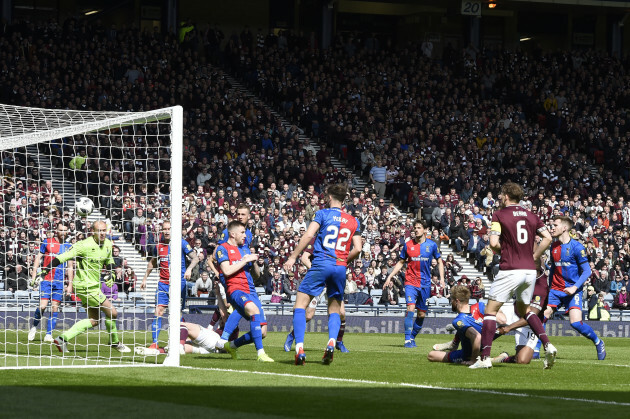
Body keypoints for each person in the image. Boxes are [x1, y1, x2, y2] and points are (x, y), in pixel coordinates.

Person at [469, 182, 554, 369]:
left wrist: (506, 251)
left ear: (506, 196)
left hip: (511, 268)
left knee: (490, 312)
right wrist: (534, 256)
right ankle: (548, 344)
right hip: (530, 271)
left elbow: (492, 243)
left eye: (500, 195)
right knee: (525, 311)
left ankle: (484, 359)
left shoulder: (499, 215)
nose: (499, 197)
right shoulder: (532, 215)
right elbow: (548, 238)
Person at [283, 183, 362, 365]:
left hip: (321, 263)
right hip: (340, 267)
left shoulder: (322, 214)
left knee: (300, 307)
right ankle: (332, 342)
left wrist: (293, 256)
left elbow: (308, 236)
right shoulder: (352, 220)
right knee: (334, 310)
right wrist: (342, 261)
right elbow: (357, 248)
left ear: (328, 197)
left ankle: (299, 348)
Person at [44, 221, 130, 353]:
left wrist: (112, 274)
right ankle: (114, 342)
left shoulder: (108, 243)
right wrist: (45, 270)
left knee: (94, 320)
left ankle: (62, 339)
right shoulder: (83, 245)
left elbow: (109, 261)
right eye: (99, 231)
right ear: (93, 232)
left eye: (104, 230)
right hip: (85, 286)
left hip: (93, 286)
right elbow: (63, 257)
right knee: (113, 312)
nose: (102, 233)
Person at [543, 216, 606, 360]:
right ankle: (535, 348)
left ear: (564, 228)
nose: (552, 227)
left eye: (555, 225)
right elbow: (553, 267)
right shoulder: (553, 246)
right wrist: (549, 286)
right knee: (543, 316)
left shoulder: (577, 248)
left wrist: (574, 288)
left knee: (575, 323)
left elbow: (587, 271)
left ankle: (598, 342)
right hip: (555, 289)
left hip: (573, 290)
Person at [215, 220, 273, 362]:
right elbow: (227, 271)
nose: (245, 235)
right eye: (242, 232)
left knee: (263, 332)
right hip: (235, 290)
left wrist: (253, 264)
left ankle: (232, 345)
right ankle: (260, 354)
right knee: (252, 310)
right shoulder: (222, 249)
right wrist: (244, 261)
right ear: (233, 234)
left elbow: (257, 276)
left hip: (251, 290)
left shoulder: (246, 250)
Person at [383, 220, 444, 348]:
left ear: (425, 230)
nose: (416, 230)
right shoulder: (408, 245)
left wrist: (442, 279)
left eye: (419, 228)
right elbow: (400, 262)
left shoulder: (432, 245)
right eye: (414, 228)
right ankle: (407, 340)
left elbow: (439, 261)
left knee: (421, 314)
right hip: (410, 282)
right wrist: (390, 275)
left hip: (426, 284)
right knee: (410, 308)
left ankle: (412, 337)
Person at [140, 221, 198, 352]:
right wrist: (144, 278)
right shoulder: (159, 246)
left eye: (169, 229)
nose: (166, 231)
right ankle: (155, 343)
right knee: (158, 311)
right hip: (163, 283)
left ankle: (179, 342)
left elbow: (195, 258)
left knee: (177, 314)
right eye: (164, 229)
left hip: (178, 283)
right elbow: (152, 262)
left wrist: (189, 269)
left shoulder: (182, 243)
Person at [284, 239, 351, 353]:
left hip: (333, 280)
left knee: (342, 313)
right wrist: (316, 271)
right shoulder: (317, 240)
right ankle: (292, 336)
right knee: (309, 315)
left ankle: (338, 342)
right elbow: (304, 258)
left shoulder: (338, 239)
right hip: (318, 282)